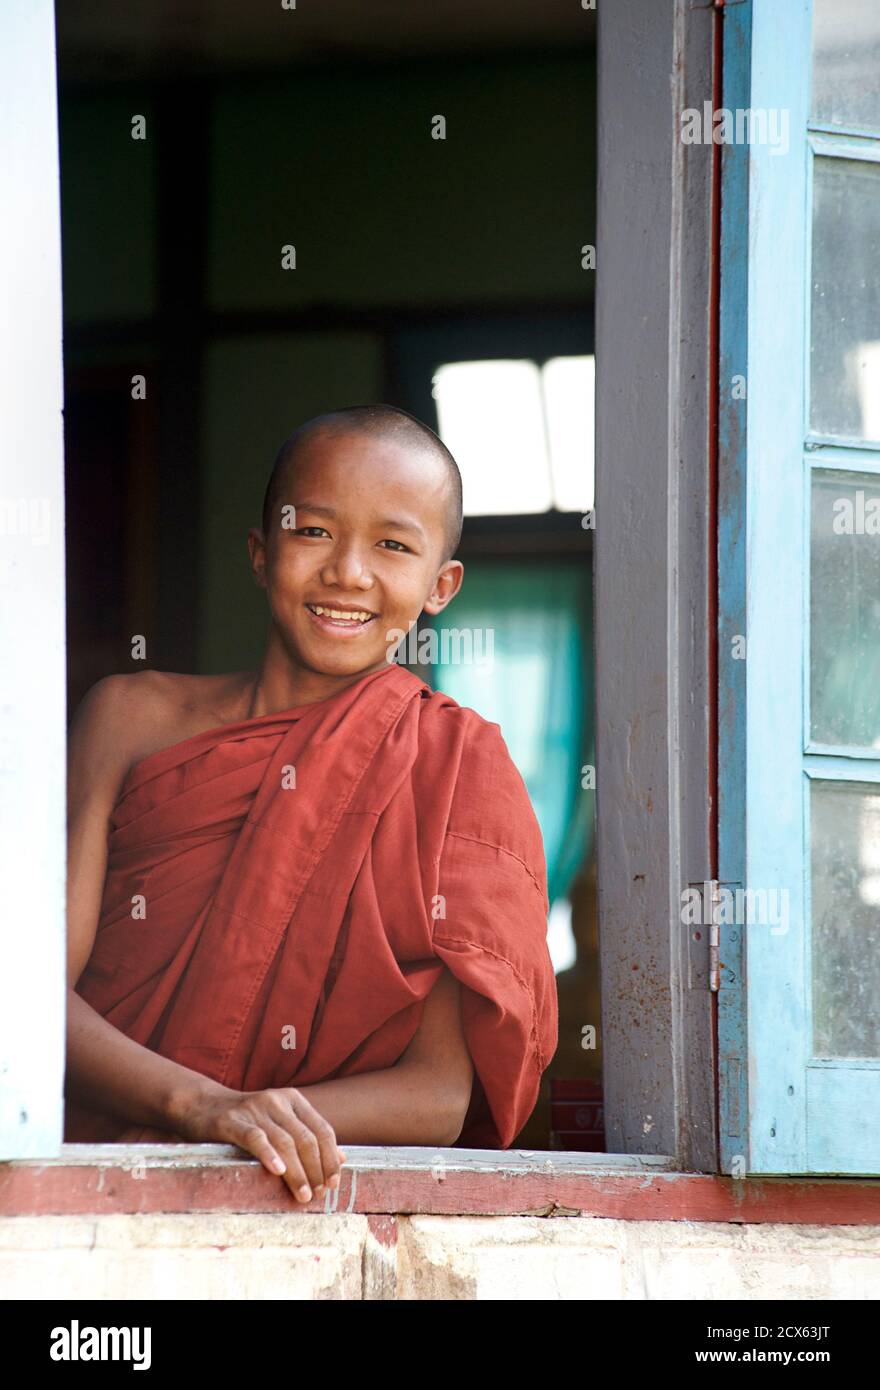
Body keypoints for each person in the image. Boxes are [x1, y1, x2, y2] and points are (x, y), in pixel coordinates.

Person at [65, 404, 559, 1205]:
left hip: (302, 1208)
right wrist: (202, 1108)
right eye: (314, 532)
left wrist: (250, 1125)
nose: (348, 574)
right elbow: (29, 999)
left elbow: (439, 1093)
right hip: (86, 1183)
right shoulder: (127, 717)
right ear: (261, 555)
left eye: (393, 545)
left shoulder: (456, 767)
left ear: (441, 586)